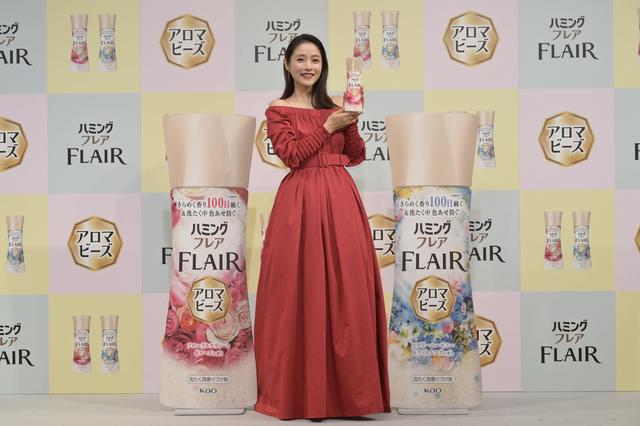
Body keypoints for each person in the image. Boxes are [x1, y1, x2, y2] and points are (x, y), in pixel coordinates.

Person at [253, 34, 391, 421]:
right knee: (301, 289)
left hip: (341, 197)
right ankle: (305, 396)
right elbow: (292, 156)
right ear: (287, 64)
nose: (308, 66)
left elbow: (356, 155)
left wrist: (350, 121)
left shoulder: (335, 106)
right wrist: (328, 125)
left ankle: (352, 397)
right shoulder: (278, 109)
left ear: (323, 65)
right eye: (300, 59)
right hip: (300, 200)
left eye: (315, 59)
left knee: (348, 289)